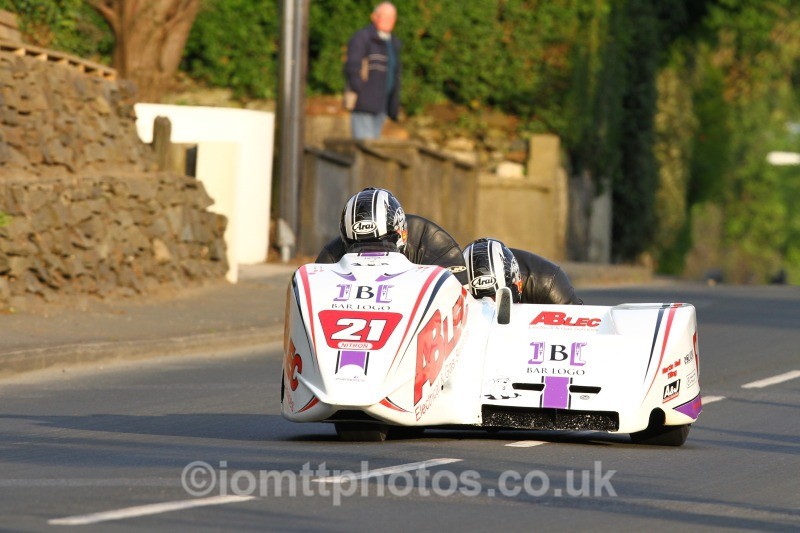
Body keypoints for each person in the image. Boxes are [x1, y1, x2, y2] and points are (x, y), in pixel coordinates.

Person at [316, 187, 468, 284]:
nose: (370, 255)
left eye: (381, 244)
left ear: (400, 233)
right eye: (357, 247)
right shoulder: (331, 257)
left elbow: (459, 302)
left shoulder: (438, 247)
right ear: (345, 242)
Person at [462, 238, 582, 305]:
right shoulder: (456, 281)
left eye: (498, 297)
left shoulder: (549, 283)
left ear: (517, 284)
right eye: (478, 299)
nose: (488, 307)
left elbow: (580, 334)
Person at [344, 2, 401, 140]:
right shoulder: (363, 37)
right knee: (366, 148)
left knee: (374, 149)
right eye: (383, 16)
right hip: (363, 104)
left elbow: (395, 74)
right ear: (374, 17)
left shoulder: (393, 43)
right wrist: (361, 91)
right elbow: (352, 67)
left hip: (382, 105)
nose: (388, 21)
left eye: (391, 18)